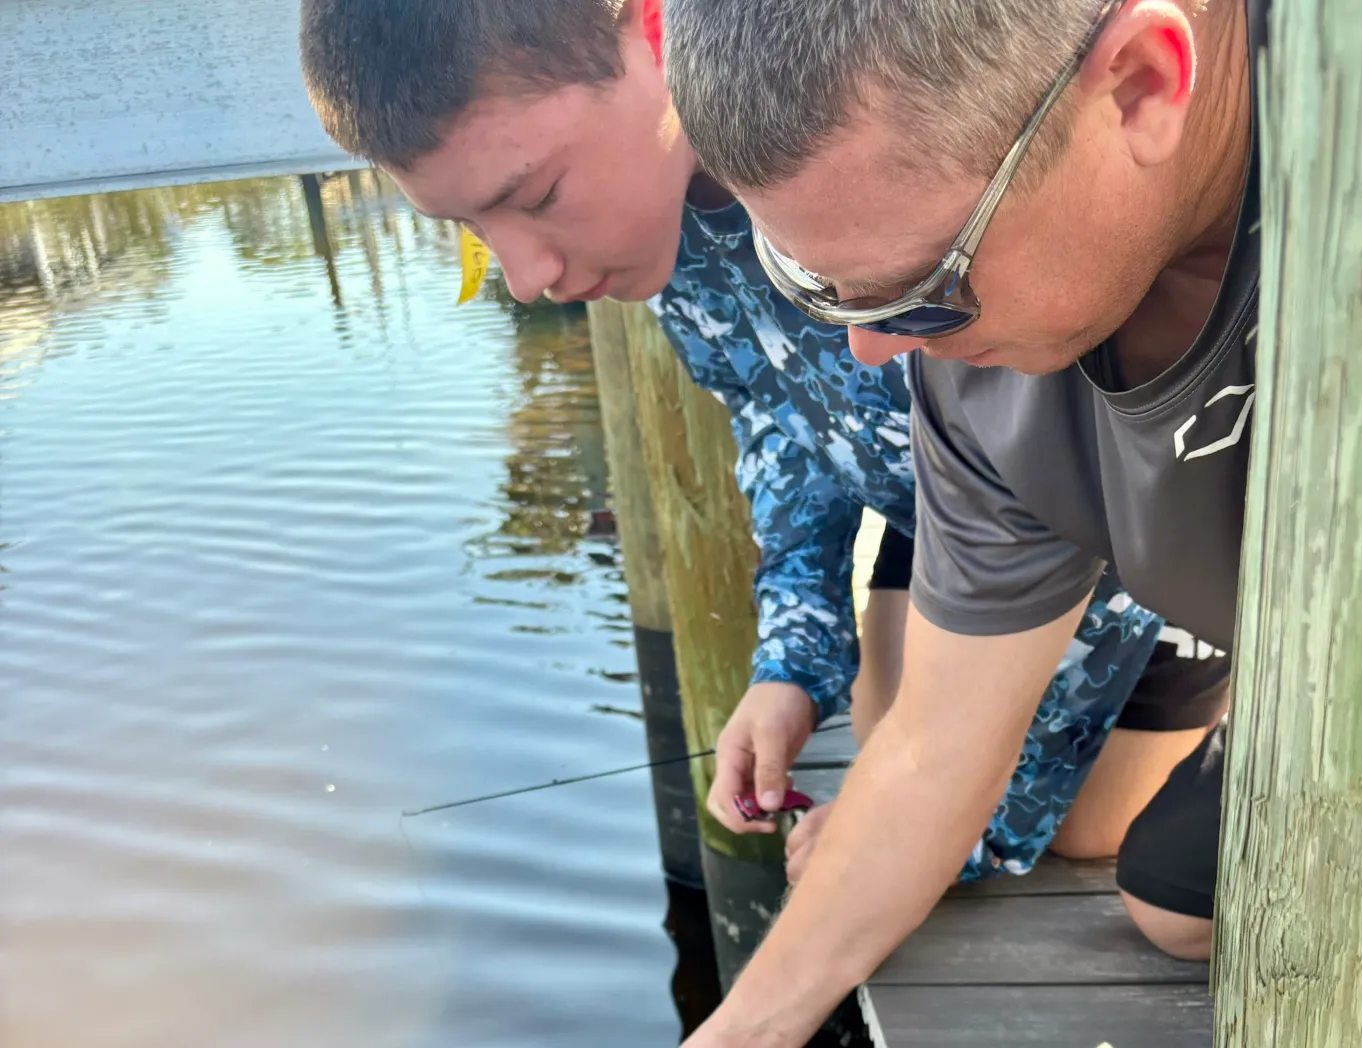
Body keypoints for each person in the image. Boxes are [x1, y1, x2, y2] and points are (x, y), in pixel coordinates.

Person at [299, 0, 1222, 955]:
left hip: (1110, 525)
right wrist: (795, 658)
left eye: (534, 197)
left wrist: (971, 824)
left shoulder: (871, 142)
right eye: (469, 225)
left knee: (1082, 837)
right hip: (936, 507)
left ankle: (1216, 672)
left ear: (655, 29)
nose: (526, 275)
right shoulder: (660, 237)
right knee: (880, 730)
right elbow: (778, 418)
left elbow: (1082, 475)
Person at [663, 0, 1263, 1041]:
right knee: (1170, 896)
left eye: (925, 288)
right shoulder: (987, 386)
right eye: (821, 289)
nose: (872, 354)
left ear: (1142, 86)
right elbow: (936, 747)